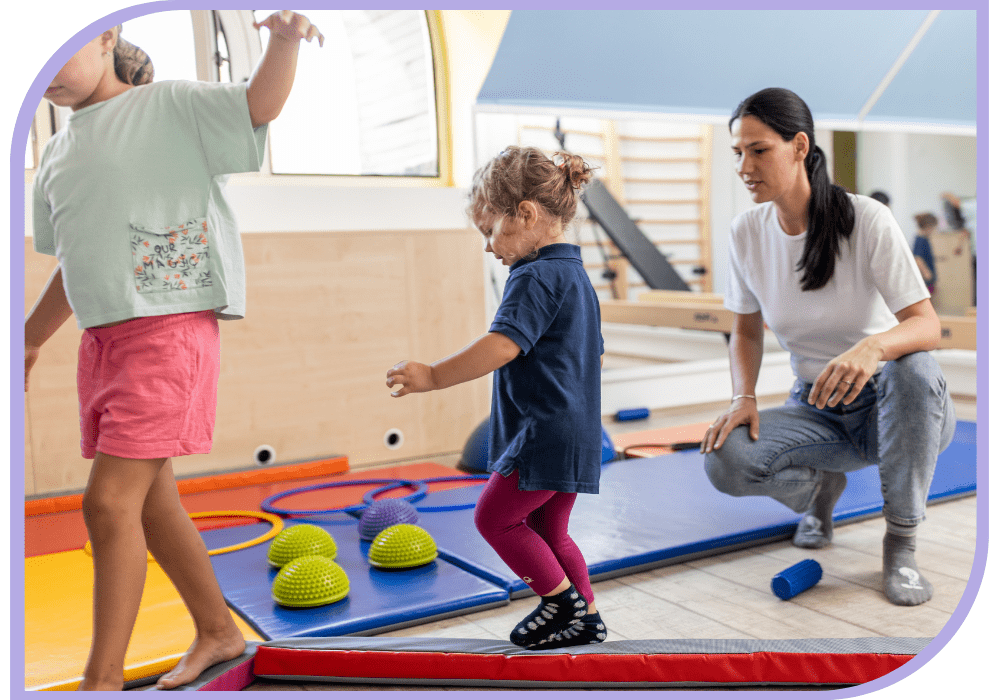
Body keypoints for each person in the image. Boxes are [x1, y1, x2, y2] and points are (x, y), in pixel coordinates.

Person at [25, 12, 323, 690]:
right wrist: (31, 337)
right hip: (103, 345)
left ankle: (101, 679)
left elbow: (257, 104)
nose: (44, 75)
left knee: (106, 505)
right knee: (151, 503)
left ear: (105, 36)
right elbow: (72, 263)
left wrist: (281, 40)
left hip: (167, 331)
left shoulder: (169, 108)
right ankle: (217, 631)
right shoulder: (57, 159)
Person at [700, 87, 956, 607]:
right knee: (724, 459)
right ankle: (822, 489)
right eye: (737, 153)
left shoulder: (866, 219)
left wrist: (874, 349)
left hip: (898, 405)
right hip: (818, 407)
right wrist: (741, 398)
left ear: (799, 146)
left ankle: (901, 546)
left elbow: (927, 325)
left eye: (758, 150)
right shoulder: (747, 231)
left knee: (915, 368)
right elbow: (746, 329)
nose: (745, 166)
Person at [386, 146, 607, 649]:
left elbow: (502, 345)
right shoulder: (574, 275)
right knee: (551, 530)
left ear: (525, 214)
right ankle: (587, 615)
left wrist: (434, 376)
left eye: (490, 231)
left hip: (544, 431)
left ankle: (562, 603)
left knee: (494, 517)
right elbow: (591, 357)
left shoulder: (533, 275)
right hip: (576, 431)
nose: (489, 247)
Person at [911, 213, 939, 293]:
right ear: (928, 227)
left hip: (928, 277)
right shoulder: (920, 240)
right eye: (934, 229)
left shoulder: (924, 239)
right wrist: (926, 273)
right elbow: (917, 258)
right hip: (925, 278)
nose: (934, 231)